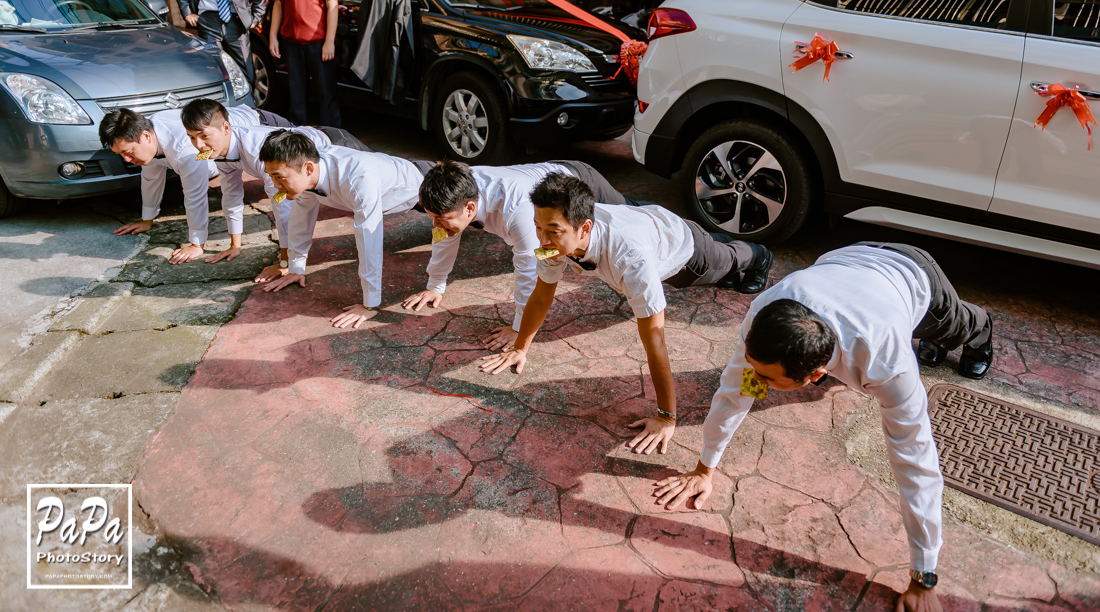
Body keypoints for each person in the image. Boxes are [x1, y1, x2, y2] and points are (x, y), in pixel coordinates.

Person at [652, 242, 995, 612]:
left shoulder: (888, 363)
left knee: (955, 329)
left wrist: (924, 576)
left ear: (816, 374)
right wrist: (705, 468)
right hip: (844, 258)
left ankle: (981, 333)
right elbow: (736, 391)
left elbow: (916, 463)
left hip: (913, 272)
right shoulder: (764, 314)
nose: (756, 381)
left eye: (766, 379)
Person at [481, 172, 772, 455]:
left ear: (584, 228)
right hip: (646, 223)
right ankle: (716, 240)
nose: (541, 239)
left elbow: (655, 338)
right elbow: (542, 295)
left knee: (726, 261)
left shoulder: (631, 259)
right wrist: (521, 346)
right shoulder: (552, 243)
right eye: (537, 227)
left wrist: (666, 417)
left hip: (682, 250)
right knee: (713, 245)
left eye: (553, 231)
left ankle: (760, 254)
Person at [403, 160, 647, 350]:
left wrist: (520, 328)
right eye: (430, 216)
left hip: (579, 181)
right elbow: (443, 235)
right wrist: (435, 285)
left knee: (636, 213)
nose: (434, 225)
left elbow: (530, 267)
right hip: (547, 182)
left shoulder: (515, 211)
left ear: (469, 208)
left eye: (440, 219)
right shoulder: (454, 194)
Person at [179, 98, 372, 282]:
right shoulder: (219, 151)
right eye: (191, 138)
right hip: (316, 146)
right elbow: (231, 195)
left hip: (337, 143)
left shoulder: (258, 151)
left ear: (225, 128)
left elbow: (283, 208)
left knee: (381, 201)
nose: (199, 146)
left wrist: (284, 262)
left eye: (204, 136)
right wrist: (235, 246)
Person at [258, 131, 434, 328]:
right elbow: (301, 217)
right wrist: (296, 268)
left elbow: (369, 240)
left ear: (307, 168)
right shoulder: (309, 172)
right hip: (401, 184)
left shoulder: (359, 179)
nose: (275, 185)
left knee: (471, 213)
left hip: (427, 183)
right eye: (272, 177)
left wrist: (369, 305)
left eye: (279, 177)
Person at [100, 105, 262, 264]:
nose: (126, 160)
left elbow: (195, 196)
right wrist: (147, 220)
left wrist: (196, 244)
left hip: (261, 125)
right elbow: (151, 178)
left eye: (128, 152)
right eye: (120, 154)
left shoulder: (185, 149)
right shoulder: (147, 135)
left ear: (146, 136)